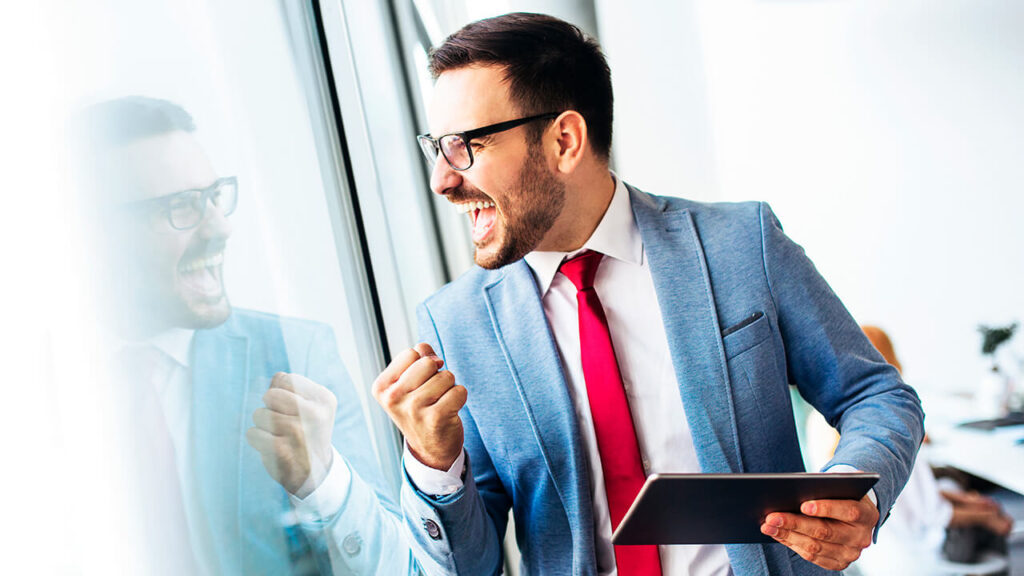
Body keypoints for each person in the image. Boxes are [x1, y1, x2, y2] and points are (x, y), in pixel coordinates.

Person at [372, 12, 925, 576]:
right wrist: (434, 465)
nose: (442, 179)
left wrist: (856, 496)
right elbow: (471, 565)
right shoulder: (456, 323)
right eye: (436, 147)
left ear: (564, 140)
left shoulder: (742, 244)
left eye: (467, 144)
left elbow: (877, 396)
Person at [74, 96, 417, 575]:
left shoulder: (296, 357)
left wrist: (322, 482)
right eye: (181, 207)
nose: (220, 228)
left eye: (214, 197)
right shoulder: (37, 381)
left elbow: (400, 569)